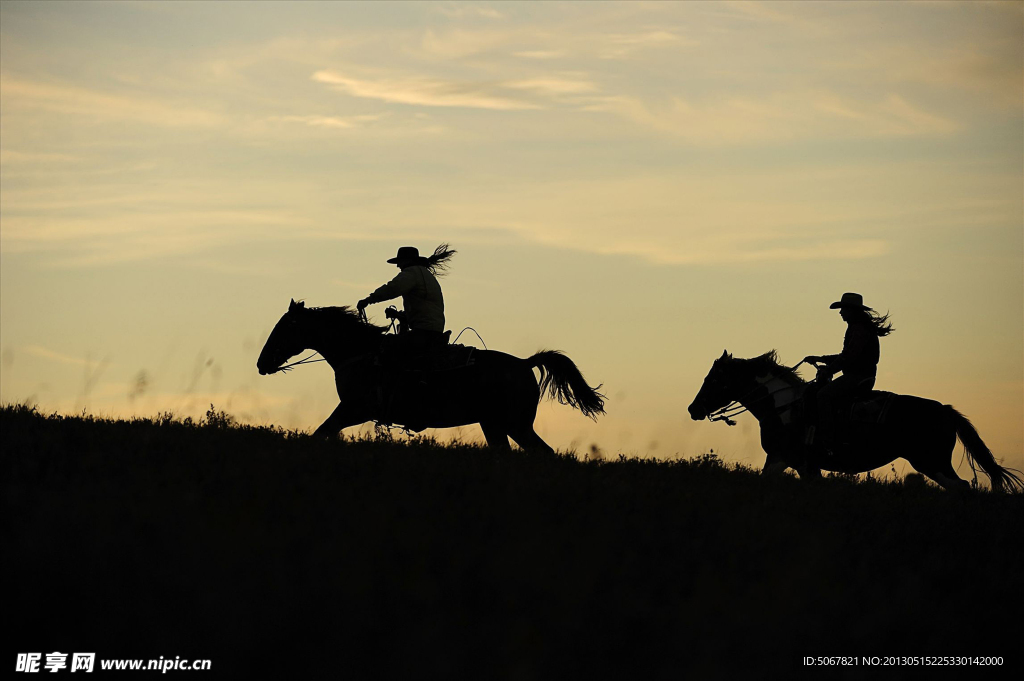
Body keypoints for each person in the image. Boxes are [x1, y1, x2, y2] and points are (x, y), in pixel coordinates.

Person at [803, 292, 894, 446]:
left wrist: (829, 370)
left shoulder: (859, 329)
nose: (840, 312)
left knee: (823, 395)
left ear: (851, 310)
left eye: (843, 309)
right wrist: (822, 359)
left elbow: (848, 356)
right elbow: (846, 355)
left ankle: (827, 439)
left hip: (858, 377)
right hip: (862, 375)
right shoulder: (860, 327)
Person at [357, 244, 456, 362]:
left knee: (389, 347)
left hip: (423, 332)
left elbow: (392, 288)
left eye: (400, 261)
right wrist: (402, 316)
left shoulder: (412, 273)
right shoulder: (425, 274)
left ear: (407, 261)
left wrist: (369, 300)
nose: (398, 265)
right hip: (432, 330)